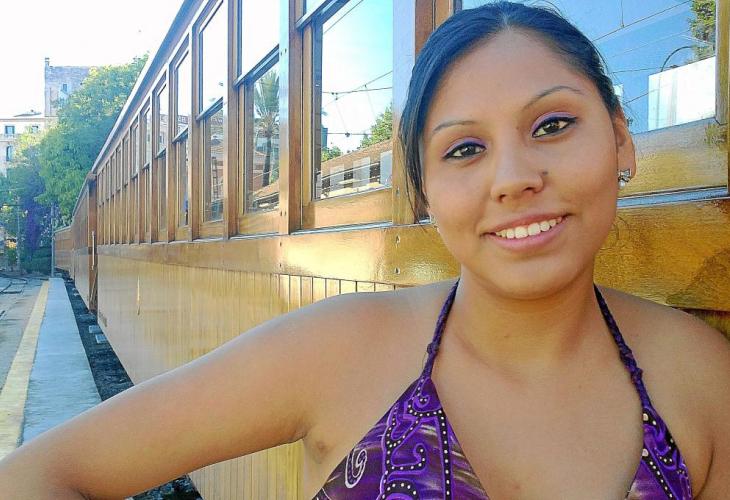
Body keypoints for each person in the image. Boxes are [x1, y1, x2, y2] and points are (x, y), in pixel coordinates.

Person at [1, 2, 728, 498]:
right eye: (465, 149)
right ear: (425, 191)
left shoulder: (703, 379)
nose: (513, 178)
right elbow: (35, 475)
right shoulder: (336, 350)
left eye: (553, 125)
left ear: (621, 139)